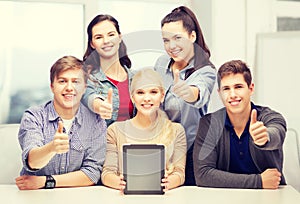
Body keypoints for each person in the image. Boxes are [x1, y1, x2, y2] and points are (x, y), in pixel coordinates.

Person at [15, 56, 106, 190]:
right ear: (52, 86)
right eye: (62, 81)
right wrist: (51, 148)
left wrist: (46, 181)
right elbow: (32, 161)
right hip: (35, 196)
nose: (69, 87)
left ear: (85, 87)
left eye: (75, 82)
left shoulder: (96, 122)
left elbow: (92, 173)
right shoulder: (34, 116)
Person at [193, 60, 287, 189]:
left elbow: (277, 133)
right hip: (224, 197)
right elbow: (203, 175)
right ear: (219, 93)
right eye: (226, 89)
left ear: (251, 88)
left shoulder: (270, 117)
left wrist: (265, 137)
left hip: (269, 196)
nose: (232, 95)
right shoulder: (209, 124)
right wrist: (258, 181)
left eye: (238, 87)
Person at [154, 6, 216, 185]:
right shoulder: (161, 62)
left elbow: (198, 93)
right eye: (166, 40)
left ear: (192, 36)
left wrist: (187, 92)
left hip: (190, 153)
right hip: (162, 149)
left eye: (177, 38)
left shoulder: (206, 71)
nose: (171, 46)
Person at [101, 68, 186, 192]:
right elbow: (107, 173)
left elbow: (180, 173)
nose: (147, 98)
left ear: (162, 96)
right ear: (132, 97)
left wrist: (169, 182)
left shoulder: (177, 130)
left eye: (153, 92)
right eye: (140, 93)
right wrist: (118, 182)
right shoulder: (114, 130)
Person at [81, 14, 134, 127]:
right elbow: (88, 96)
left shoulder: (136, 78)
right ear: (92, 44)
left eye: (111, 35)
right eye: (99, 37)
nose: (106, 41)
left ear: (119, 37)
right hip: (100, 144)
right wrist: (99, 105)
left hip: (133, 143)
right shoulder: (86, 78)